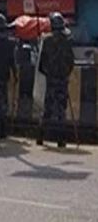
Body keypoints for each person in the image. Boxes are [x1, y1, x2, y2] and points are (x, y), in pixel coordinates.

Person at [37, 12, 74, 148]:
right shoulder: (67, 41)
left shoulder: (46, 41)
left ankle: (40, 136)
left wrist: (48, 75)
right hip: (62, 80)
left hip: (51, 80)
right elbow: (71, 62)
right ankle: (61, 140)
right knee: (61, 112)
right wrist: (65, 75)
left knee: (47, 109)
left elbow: (41, 64)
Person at [0, 14, 17, 139]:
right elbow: (13, 62)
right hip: (2, 77)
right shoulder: (9, 44)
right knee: (2, 105)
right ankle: (2, 131)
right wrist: (15, 75)